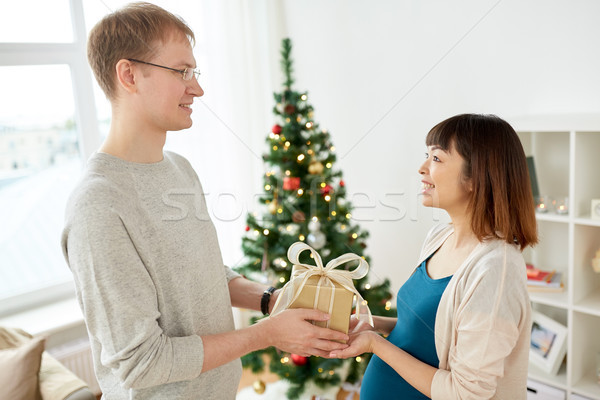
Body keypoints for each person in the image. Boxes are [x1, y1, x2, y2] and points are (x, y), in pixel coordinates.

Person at [61, 3, 348, 399]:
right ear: (129, 75)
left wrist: (269, 301)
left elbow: (203, 273)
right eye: (182, 72)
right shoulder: (98, 206)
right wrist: (266, 335)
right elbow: (142, 363)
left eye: (194, 72)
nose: (197, 88)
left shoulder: (179, 169)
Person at [330, 114, 538, 399]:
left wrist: (375, 345)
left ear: (476, 178)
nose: (422, 168)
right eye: (426, 156)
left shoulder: (495, 271)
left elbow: (467, 393)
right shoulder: (440, 238)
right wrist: (372, 325)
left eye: (437, 159)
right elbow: (426, 334)